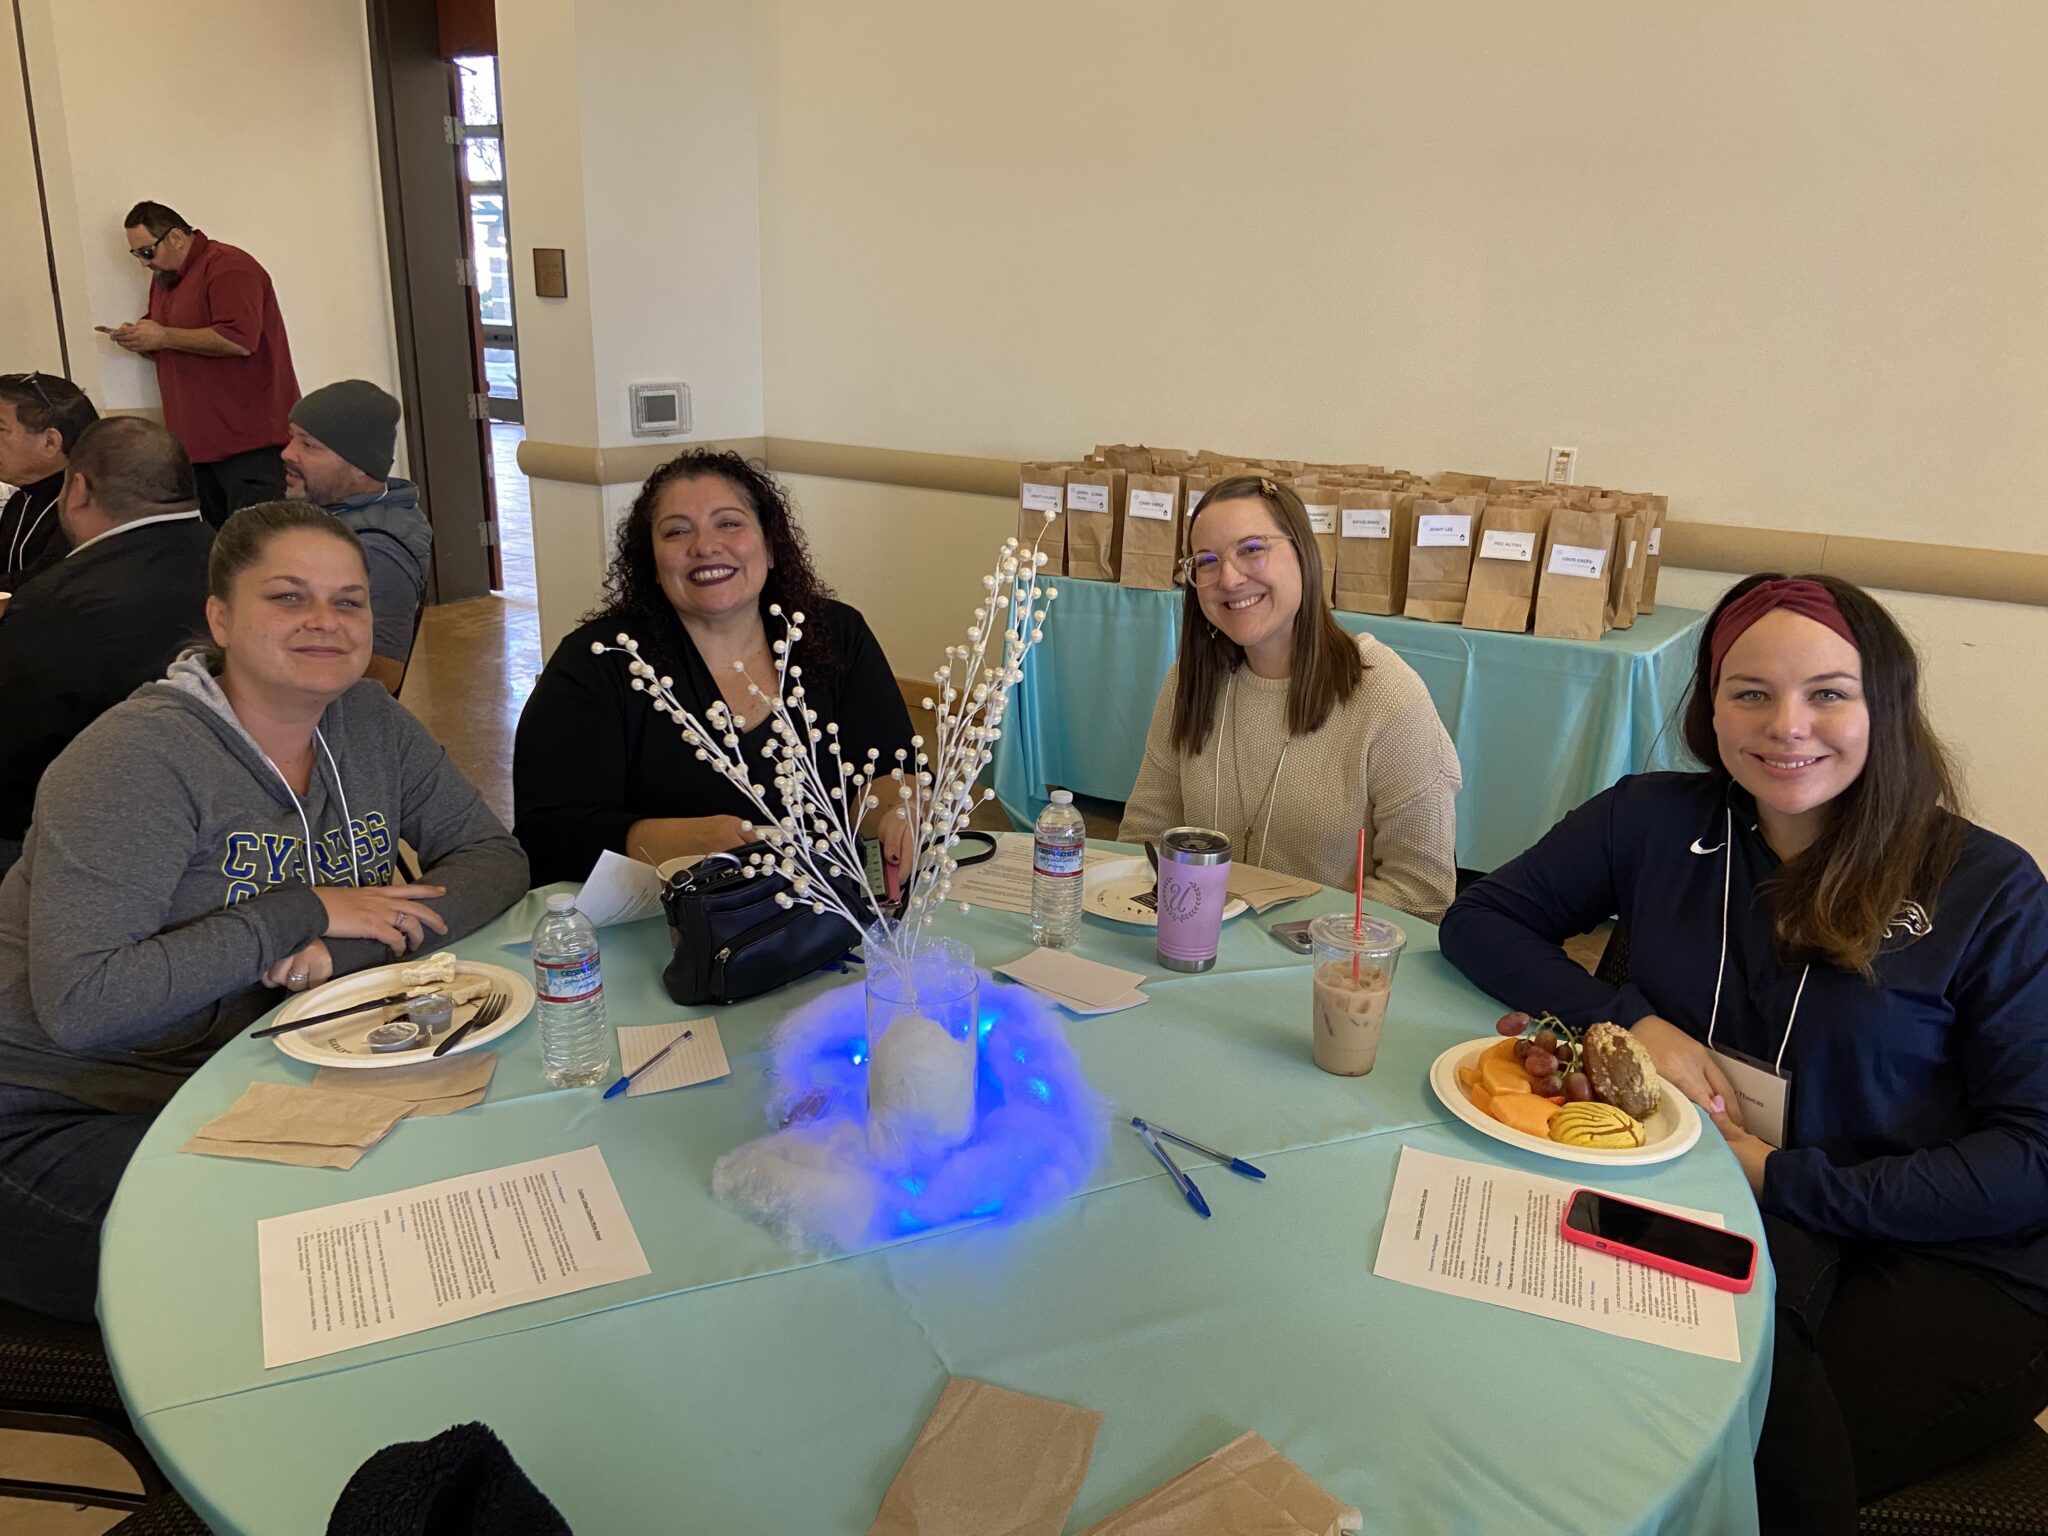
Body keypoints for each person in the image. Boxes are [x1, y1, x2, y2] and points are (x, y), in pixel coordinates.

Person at [1436, 574, 2048, 1535]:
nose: (1786, 726)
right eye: (1749, 691)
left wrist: (1779, 1177)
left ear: (1883, 704)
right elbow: (1480, 920)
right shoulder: (1653, 816)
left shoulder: (1989, 888)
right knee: (1528, 1370)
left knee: (1716, 1447)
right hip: (1713, 1198)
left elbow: (2034, 1160)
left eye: (1828, 693)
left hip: (1936, 1253)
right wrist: (1628, 1018)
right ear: (1708, 704)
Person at [0, 501, 528, 1321]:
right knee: (324, 1262)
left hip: (238, 1076)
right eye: (288, 598)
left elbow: (493, 859)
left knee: (453, 1182)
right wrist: (301, 912)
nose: (326, 622)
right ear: (221, 617)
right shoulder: (134, 762)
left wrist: (343, 950)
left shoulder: (367, 723)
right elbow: (82, 1004)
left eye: (348, 600)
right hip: (63, 1108)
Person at [513, 448, 916, 888]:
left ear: (770, 546)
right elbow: (544, 838)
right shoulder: (599, 661)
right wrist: (679, 839)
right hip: (655, 930)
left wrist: (899, 809)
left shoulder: (834, 633)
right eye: (676, 532)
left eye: (729, 523)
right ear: (652, 565)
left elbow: (889, 772)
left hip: (828, 912)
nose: (704, 545)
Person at [1117, 475, 1461, 922]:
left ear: (1304, 554)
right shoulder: (1192, 679)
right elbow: (1145, 834)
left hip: (1322, 965)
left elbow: (1422, 893)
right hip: (1192, 939)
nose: (1229, 577)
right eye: (1206, 560)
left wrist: (1288, 944)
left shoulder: (1386, 693)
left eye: (1252, 549)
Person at [0, 418, 214, 876]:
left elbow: (12, 764)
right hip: (245, 821)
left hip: (96, 840)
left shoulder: (52, 603)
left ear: (77, 490)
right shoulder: (245, 565)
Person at [103, 202, 299, 528]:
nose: (143, 264)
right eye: (136, 255)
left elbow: (238, 340)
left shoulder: (229, 267)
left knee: (256, 550)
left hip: (249, 446)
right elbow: (174, 343)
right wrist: (140, 340)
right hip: (198, 448)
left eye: (147, 252)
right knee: (216, 556)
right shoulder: (166, 279)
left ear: (177, 237)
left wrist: (163, 336)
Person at [283, 379, 433, 693]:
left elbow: (382, 677)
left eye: (308, 445)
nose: (288, 453)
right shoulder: (329, 512)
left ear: (360, 468)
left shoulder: (377, 550)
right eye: (292, 438)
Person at [0, 371, 99, 585]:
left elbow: (49, 580)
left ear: (50, 442)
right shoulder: (21, 500)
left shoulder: (90, 503)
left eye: (0, 429)